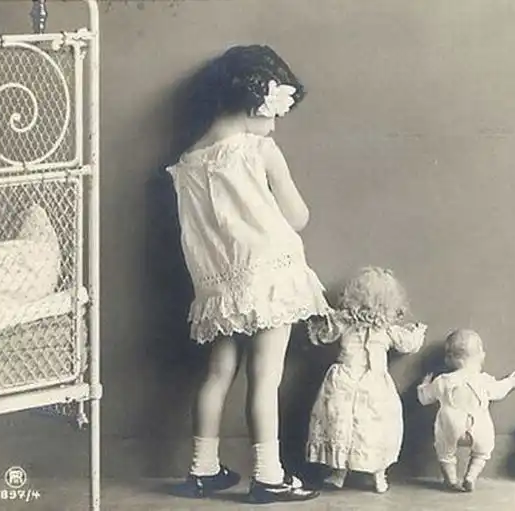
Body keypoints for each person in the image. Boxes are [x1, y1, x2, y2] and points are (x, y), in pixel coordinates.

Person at [166, 44, 331, 503]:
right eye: (274, 113)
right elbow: (298, 217)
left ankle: (202, 469)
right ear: (256, 103)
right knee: (265, 377)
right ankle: (268, 474)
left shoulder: (187, 163)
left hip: (219, 283)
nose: (275, 125)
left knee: (218, 373)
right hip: (269, 276)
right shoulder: (260, 150)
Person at [305, 267, 427, 493]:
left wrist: (325, 322)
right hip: (362, 382)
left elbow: (323, 335)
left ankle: (359, 473)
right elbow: (408, 344)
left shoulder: (369, 327)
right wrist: (416, 332)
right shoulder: (365, 326)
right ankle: (354, 473)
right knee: (358, 425)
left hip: (355, 381)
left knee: (350, 425)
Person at [417, 329, 515, 492]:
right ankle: (470, 477)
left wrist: (424, 385)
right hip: (479, 427)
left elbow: (424, 398)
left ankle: (451, 480)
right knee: (482, 452)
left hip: (451, 426)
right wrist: (511, 382)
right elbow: (499, 391)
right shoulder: (484, 380)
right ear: (480, 356)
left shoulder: (442, 381)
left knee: (445, 452)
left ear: (448, 359)